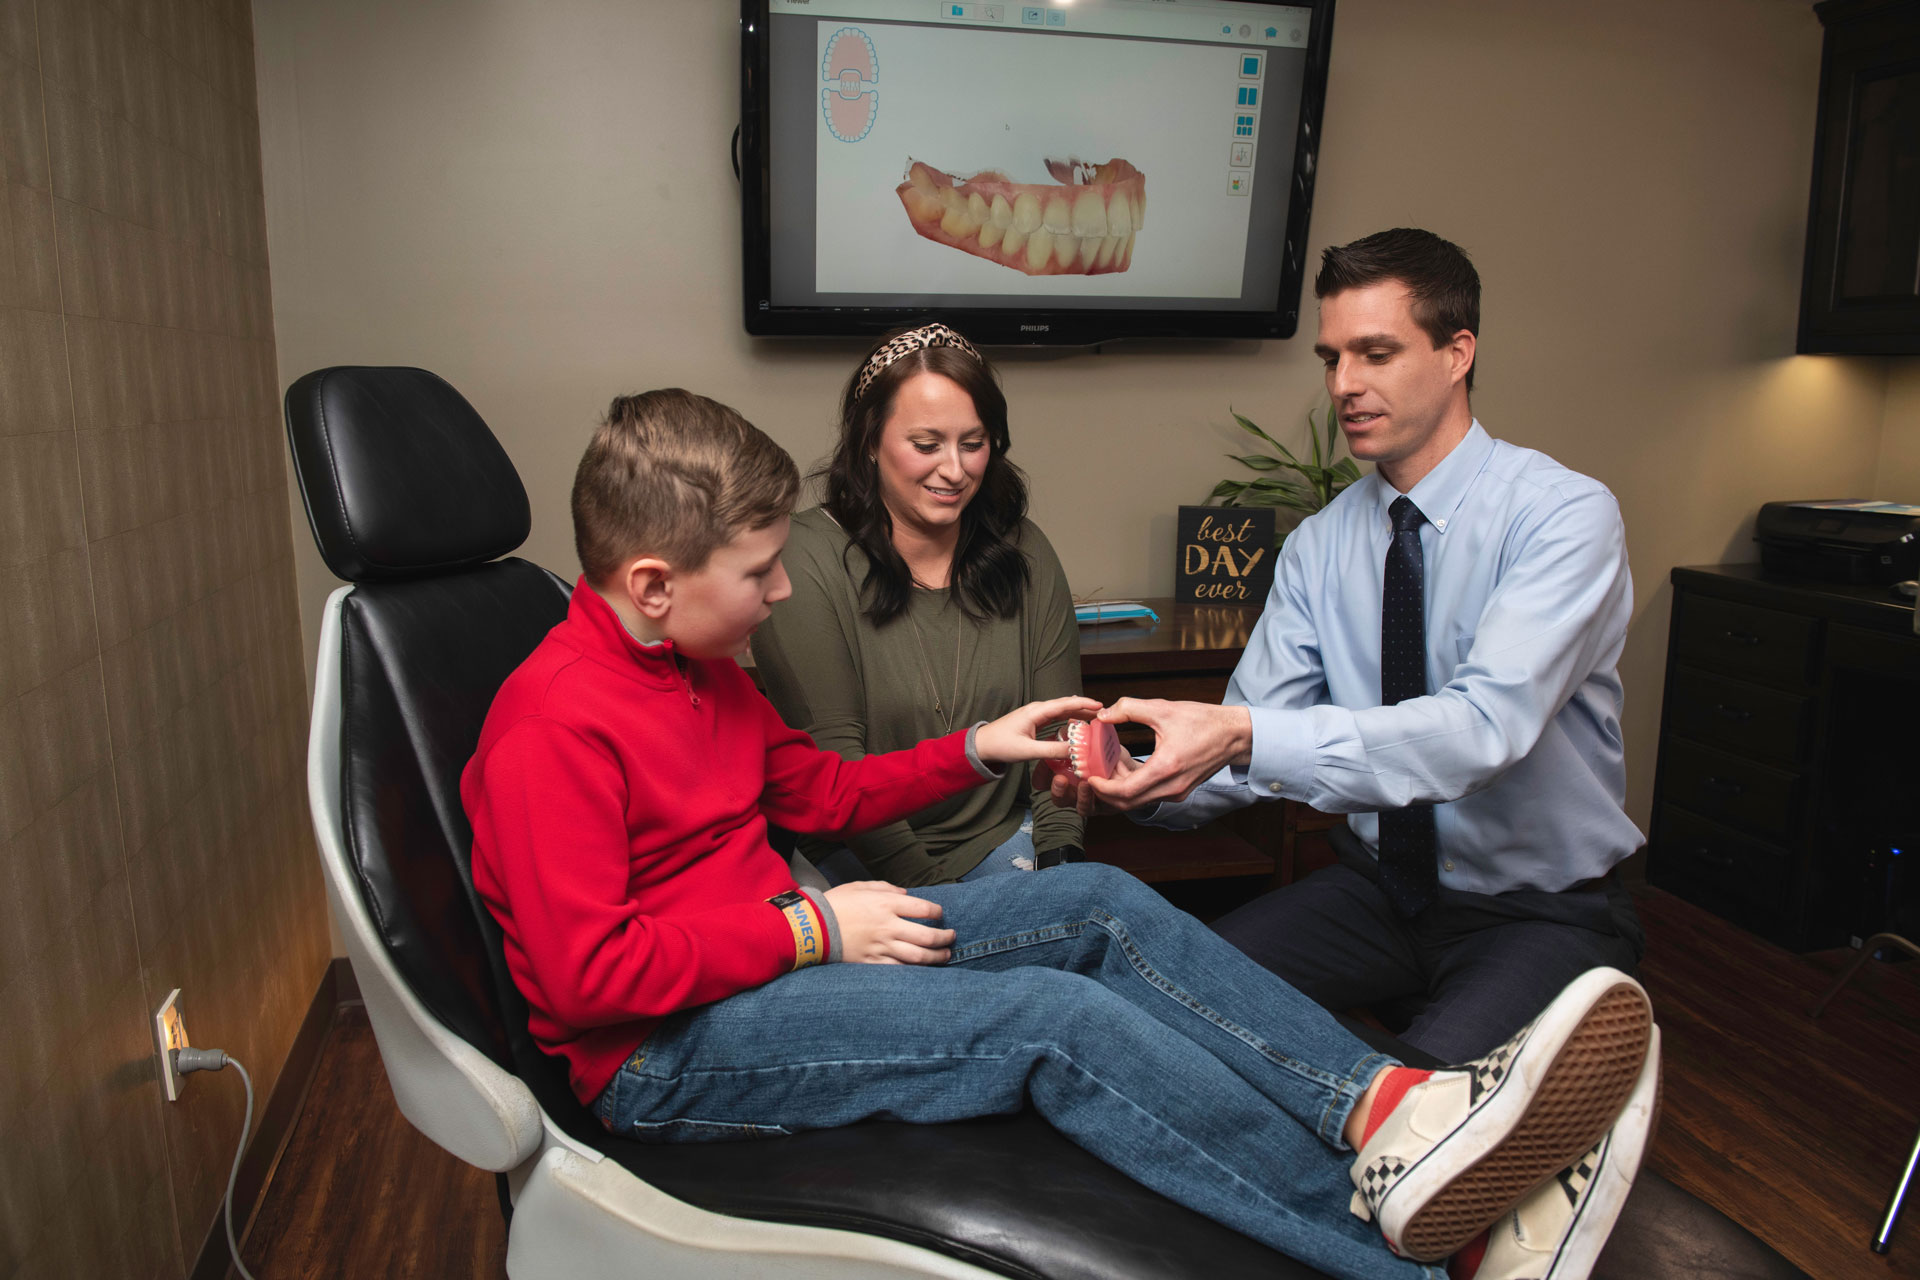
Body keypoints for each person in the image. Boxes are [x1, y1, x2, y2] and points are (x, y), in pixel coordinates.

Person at [459, 385, 1659, 1280]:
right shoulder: (551, 727)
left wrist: (977, 746)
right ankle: (1410, 1253)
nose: (781, 594)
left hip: (763, 956)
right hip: (665, 1054)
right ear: (657, 582)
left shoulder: (696, 665)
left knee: (1108, 906)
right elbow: (586, 976)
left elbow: (814, 794)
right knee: (1056, 1019)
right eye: (761, 571)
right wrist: (812, 926)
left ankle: (1391, 1108)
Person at [1050, 228, 1646, 1066]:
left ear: (1456, 353)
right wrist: (1138, 783)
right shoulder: (1320, 545)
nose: (1345, 386)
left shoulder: (1562, 517)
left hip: (1539, 908)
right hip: (1377, 894)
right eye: (1332, 359)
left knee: (1420, 1125)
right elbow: (1248, 736)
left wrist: (1244, 734)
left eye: (1376, 353)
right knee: (1147, 1019)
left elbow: (1481, 732)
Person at [752, 323, 1084, 886]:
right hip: (861, 862)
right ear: (869, 441)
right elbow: (838, 777)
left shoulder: (1023, 547)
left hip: (1005, 841)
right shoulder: (803, 556)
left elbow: (1060, 746)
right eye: (926, 445)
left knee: (1103, 909)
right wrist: (953, 911)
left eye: (973, 444)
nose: (955, 471)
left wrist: (1062, 870)